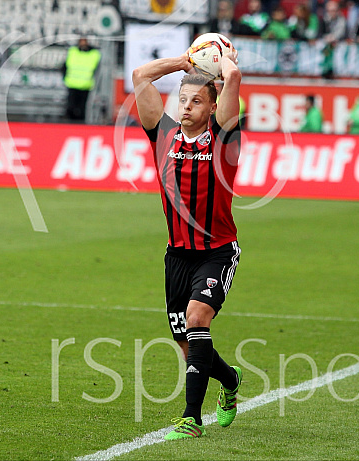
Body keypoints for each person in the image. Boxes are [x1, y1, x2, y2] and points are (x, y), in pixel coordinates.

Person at [131, 44, 244, 439]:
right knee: (187, 344)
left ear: (211, 108)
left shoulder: (223, 140)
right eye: (182, 100)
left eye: (196, 101)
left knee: (198, 319)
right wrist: (182, 63)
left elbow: (233, 81)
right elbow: (141, 77)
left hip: (216, 252)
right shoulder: (162, 135)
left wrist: (226, 67)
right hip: (176, 256)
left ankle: (190, 418)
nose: (186, 107)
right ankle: (230, 383)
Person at [62, 36, 101, 122]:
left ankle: (80, 125)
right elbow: (64, 66)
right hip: (72, 84)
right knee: (70, 107)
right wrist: (65, 78)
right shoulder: (73, 51)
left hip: (85, 85)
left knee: (82, 109)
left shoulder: (94, 54)